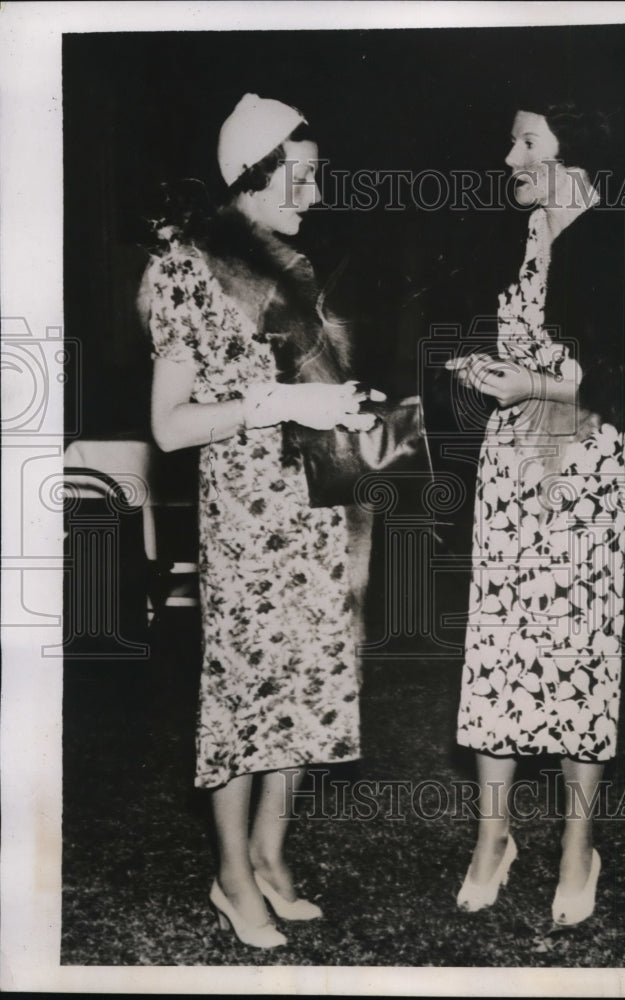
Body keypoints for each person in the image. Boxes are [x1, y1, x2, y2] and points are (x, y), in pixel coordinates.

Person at [139, 94, 380, 948]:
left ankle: (272, 859)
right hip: (246, 525)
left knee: (304, 691)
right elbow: (171, 425)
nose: (314, 196)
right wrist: (276, 399)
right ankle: (231, 877)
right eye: (302, 178)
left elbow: (301, 399)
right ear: (254, 174)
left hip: (314, 514)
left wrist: (345, 410)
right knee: (244, 702)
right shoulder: (187, 270)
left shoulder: (291, 271)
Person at [448, 103, 625, 925]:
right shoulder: (523, 236)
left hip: (585, 466)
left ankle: (574, 845)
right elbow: (520, 349)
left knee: (576, 653)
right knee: (499, 648)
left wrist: (536, 388)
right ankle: (493, 838)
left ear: (575, 150)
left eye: (528, 141)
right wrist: (489, 372)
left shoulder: (622, 237)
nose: (509, 154)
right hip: (512, 467)